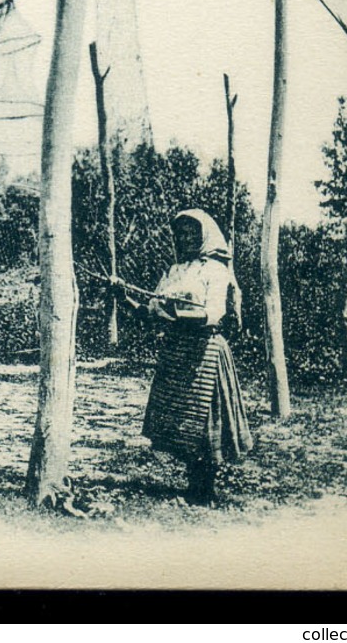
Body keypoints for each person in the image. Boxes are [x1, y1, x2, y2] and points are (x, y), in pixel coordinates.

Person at [112, 208, 253, 505]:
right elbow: (152, 313)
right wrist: (122, 296)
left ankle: (205, 489)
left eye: (193, 233)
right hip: (177, 352)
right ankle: (193, 484)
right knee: (182, 419)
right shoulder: (174, 272)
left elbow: (214, 312)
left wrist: (185, 313)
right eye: (181, 234)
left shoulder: (216, 271)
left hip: (205, 352)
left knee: (205, 419)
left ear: (205, 236)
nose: (187, 238)